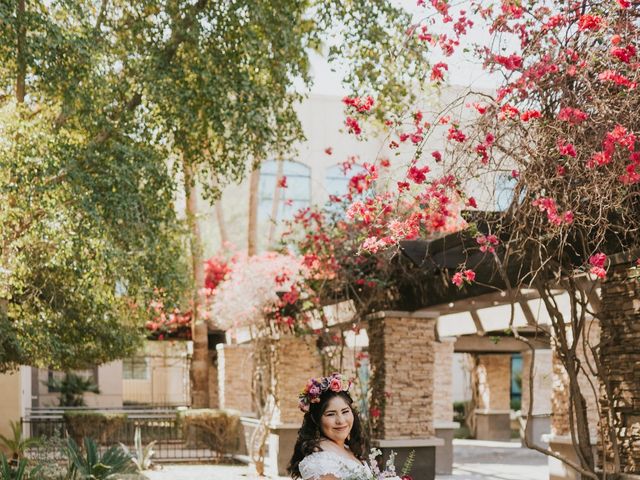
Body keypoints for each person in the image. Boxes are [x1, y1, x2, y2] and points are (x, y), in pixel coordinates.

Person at [288, 372, 370, 480]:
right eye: (331, 414)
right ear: (316, 419)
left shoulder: (347, 447)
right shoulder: (320, 462)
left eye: (345, 411)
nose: (340, 421)